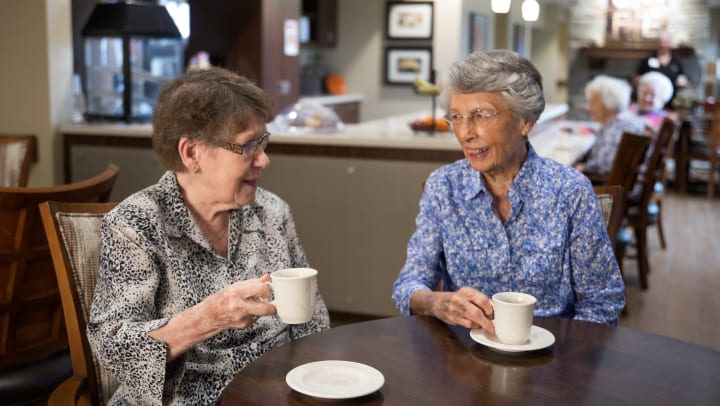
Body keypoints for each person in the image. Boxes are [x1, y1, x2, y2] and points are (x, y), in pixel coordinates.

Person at [87, 67, 330, 405]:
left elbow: (312, 319)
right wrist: (210, 316)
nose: (264, 159)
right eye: (248, 145)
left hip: (275, 390)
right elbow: (113, 348)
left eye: (263, 141)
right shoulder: (137, 225)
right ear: (192, 153)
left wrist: (320, 385)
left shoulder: (272, 212)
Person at [391, 50, 625, 332]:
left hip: (550, 355)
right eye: (457, 117)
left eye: (481, 115)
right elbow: (408, 284)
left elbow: (603, 300)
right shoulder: (443, 186)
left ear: (524, 121)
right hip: (464, 355)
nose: (465, 133)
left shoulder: (569, 190)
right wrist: (433, 302)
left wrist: (566, 359)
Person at [574, 75, 646, 177]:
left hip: (609, 187)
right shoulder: (622, 119)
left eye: (593, 102)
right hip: (621, 184)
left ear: (609, 104)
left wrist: (581, 168)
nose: (588, 107)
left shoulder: (618, 126)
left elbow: (604, 165)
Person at [634, 32, 689, 109]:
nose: (662, 45)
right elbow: (636, 78)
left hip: (670, 102)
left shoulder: (676, 62)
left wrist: (683, 83)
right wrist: (639, 81)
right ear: (656, 44)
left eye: (665, 42)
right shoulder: (647, 59)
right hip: (649, 103)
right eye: (660, 42)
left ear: (670, 44)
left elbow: (683, 79)